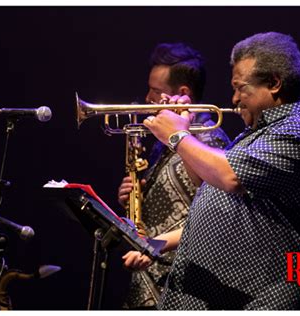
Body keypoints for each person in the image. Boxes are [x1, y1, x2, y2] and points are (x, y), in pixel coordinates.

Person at [123, 32, 300, 310]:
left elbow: (230, 177)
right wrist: (157, 243)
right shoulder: (257, 134)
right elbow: (224, 212)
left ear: (274, 83)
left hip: (262, 298)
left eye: (240, 87)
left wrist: (178, 136)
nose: (233, 99)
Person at [118, 42, 230, 309]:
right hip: (149, 283)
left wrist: (154, 247)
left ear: (182, 93)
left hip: (184, 288)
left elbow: (216, 220)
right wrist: (133, 199)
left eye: (155, 91)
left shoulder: (209, 141)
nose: (148, 98)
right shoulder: (162, 139)